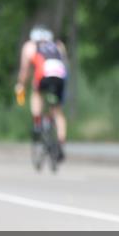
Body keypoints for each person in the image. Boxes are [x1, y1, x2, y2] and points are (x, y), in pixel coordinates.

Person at [16, 26, 69, 161]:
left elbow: (25, 70)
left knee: (36, 93)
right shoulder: (58, 45)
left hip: (44, 75)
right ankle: (60, 144)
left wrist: (21, 85)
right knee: (58, 111)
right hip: (60, 76)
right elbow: (64, 63)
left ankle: (37, 122)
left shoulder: (30, 46)